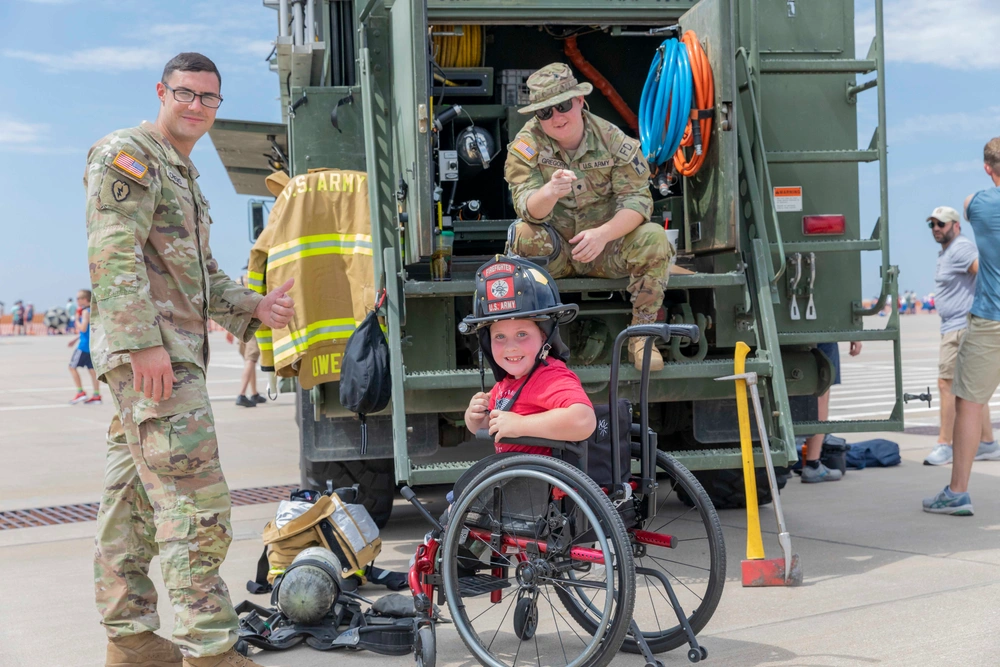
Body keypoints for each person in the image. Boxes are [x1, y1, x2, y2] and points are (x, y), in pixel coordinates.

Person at [85, 53, 295, 666]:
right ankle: (211, 650)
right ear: (162, 91)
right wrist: (143, 342)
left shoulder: (182, 174)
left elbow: (200, 275)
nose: (197, 106)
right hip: (157, 359)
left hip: (166, 356)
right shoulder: (130, 155)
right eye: (186, 93)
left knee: (130, 502)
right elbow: (112, 250)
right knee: (194, 505)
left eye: (209, 98)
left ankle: (130, 640)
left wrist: (253, 308)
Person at [504, 63, 671, 372]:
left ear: (580, 101)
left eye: (563, 106)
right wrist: (551, 192)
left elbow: (638, 201)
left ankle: (642, 335)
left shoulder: (612, 141)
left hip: (606, 250)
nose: (556, 117)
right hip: (555, 254)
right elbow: (526, 206)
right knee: (522, 233)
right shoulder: (527, 146)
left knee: (654, 237)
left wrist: (603, 234)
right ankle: (530, 342)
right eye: (544, 112)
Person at [924, 139, 1000, 515]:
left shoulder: (977, 204)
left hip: (990, 318)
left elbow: (968, 205)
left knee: (967, 402)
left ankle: (957, 493)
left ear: (988, 167)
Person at [462, 256, 596, 453]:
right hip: (517, 480)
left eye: (522, 334)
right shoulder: (506, 384)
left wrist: (520, 425)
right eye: (499, 336)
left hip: (544, 482)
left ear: (544, 336)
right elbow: (487, 427)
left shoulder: (550, 377)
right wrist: (475, 417)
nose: (511, 347)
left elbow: (583, 420)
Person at [922, 206, 995, 466]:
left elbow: (985, 271)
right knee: (972, 390)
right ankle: (986, 442)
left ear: (956, 225)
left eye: (942, 223)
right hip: (957, 326)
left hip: (959, 327)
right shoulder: (948, 252)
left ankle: (945, 444)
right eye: (932, 224)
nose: (937, 228)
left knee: (947, 385)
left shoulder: (961, 249)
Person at [800, 341, 862, 482]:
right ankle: (812, 464)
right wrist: (854, 335)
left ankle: (779, 465)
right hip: (818, 328)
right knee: (821, 388)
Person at [227, 275, 266, 408]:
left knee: (248, 360)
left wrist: (229, 329)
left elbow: (231, 304)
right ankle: (242, 394)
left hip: (240, 325)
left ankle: (254, 393)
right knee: (251, 359)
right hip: (253, 326)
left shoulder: (239, 280)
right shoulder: (258, 279)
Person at [67, 290, 101, 404]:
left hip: (83, 346)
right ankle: (96, 395)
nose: (76, 301)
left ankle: (80, 392)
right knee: (92, 371)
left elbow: (83, 328)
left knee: (72, 367)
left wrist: (76, 319)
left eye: (78, 299)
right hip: (91, 345)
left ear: (84, 300)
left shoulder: (85, 312)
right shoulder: (93, 310)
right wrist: (75, 339)